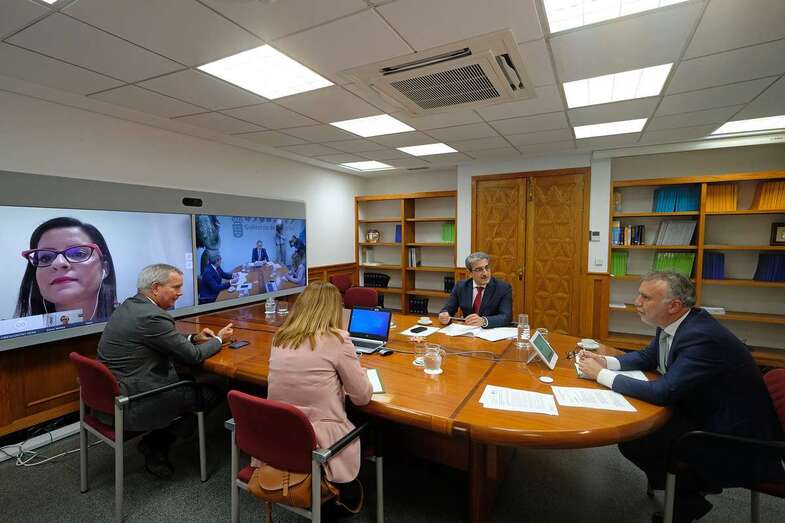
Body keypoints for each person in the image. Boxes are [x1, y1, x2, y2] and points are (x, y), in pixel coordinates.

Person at [578, 271, 784, 522]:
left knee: (640, 439)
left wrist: (600, 375)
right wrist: (605, 362)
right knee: (636, 438)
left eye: (645, 297)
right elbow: (648, 357)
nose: (637, 302)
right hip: (705, 409)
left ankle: (687, 496)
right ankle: (687, 494)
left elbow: (663, 392)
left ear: (674, 306)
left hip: (733, 435)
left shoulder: (701, 337)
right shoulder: (676, 324)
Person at [98, 263, 233, 477]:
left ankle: (162, 436)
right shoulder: (152, 316)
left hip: (113, 393)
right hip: (138, 398)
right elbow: (194, 356)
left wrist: (193, 337)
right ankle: (157, 443)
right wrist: (218, 339)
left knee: (189, 379)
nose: (180, 293)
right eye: (176, 287)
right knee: (216, 390)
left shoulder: (131, 305)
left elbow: (160, 338)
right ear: (155, 288)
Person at [261, 281, 372, 512]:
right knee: (372, 424)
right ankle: (341, 489)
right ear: (335, 309)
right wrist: (360, 374)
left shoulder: (280, 337)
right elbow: (362, 397)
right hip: (320, 440)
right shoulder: (338, 340)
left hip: (280, 432)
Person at [16, 217, 117, 323]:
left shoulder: (128, 324)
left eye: (78, 254)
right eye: (45, 258)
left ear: (105, 268)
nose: (59, 263)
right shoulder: (18, 332)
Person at [438, 252, 512, 328]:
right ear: (470, 273)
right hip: (468, 331)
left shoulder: (503, 288)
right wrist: (444, 315)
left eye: (487, 267)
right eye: (479, 270)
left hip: (491, 331)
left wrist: (484, 321)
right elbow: (448, 308)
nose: (485, 273)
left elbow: (506, 317)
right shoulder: (461, 286)